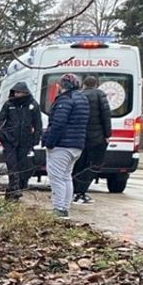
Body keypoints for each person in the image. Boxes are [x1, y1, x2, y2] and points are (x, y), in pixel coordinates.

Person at [42, 73, 90, 218]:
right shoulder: (82, 99)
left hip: (62, 145)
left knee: (56, 178)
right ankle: (65, 207)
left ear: (62, 86)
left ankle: (59, 209)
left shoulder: (65, 100)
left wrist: (49, 142)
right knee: (67, 177)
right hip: (77, 145)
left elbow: (58, 124)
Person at [0, 81, 44, 200]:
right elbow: (0, 122)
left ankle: (16, 188)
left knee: (23, 166)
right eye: (16, 92)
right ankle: (14, 188)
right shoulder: (9, 105)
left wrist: (35, 140)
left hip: (26, 141)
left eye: (20, 92)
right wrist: (3, 136)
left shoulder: (33, 105)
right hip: (10, 141)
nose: (17, 94)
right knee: (12, 165)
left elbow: (38, 124)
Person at [73, 75, 112, 204]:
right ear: (96, 85)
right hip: (97, 138)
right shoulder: (100, 95)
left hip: (80, 137)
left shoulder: (78, 95)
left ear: (84, 84)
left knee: (78, 164)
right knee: (93, 165)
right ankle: (81, 191)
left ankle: (74, 190)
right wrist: (107, 134)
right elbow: (106, 116)